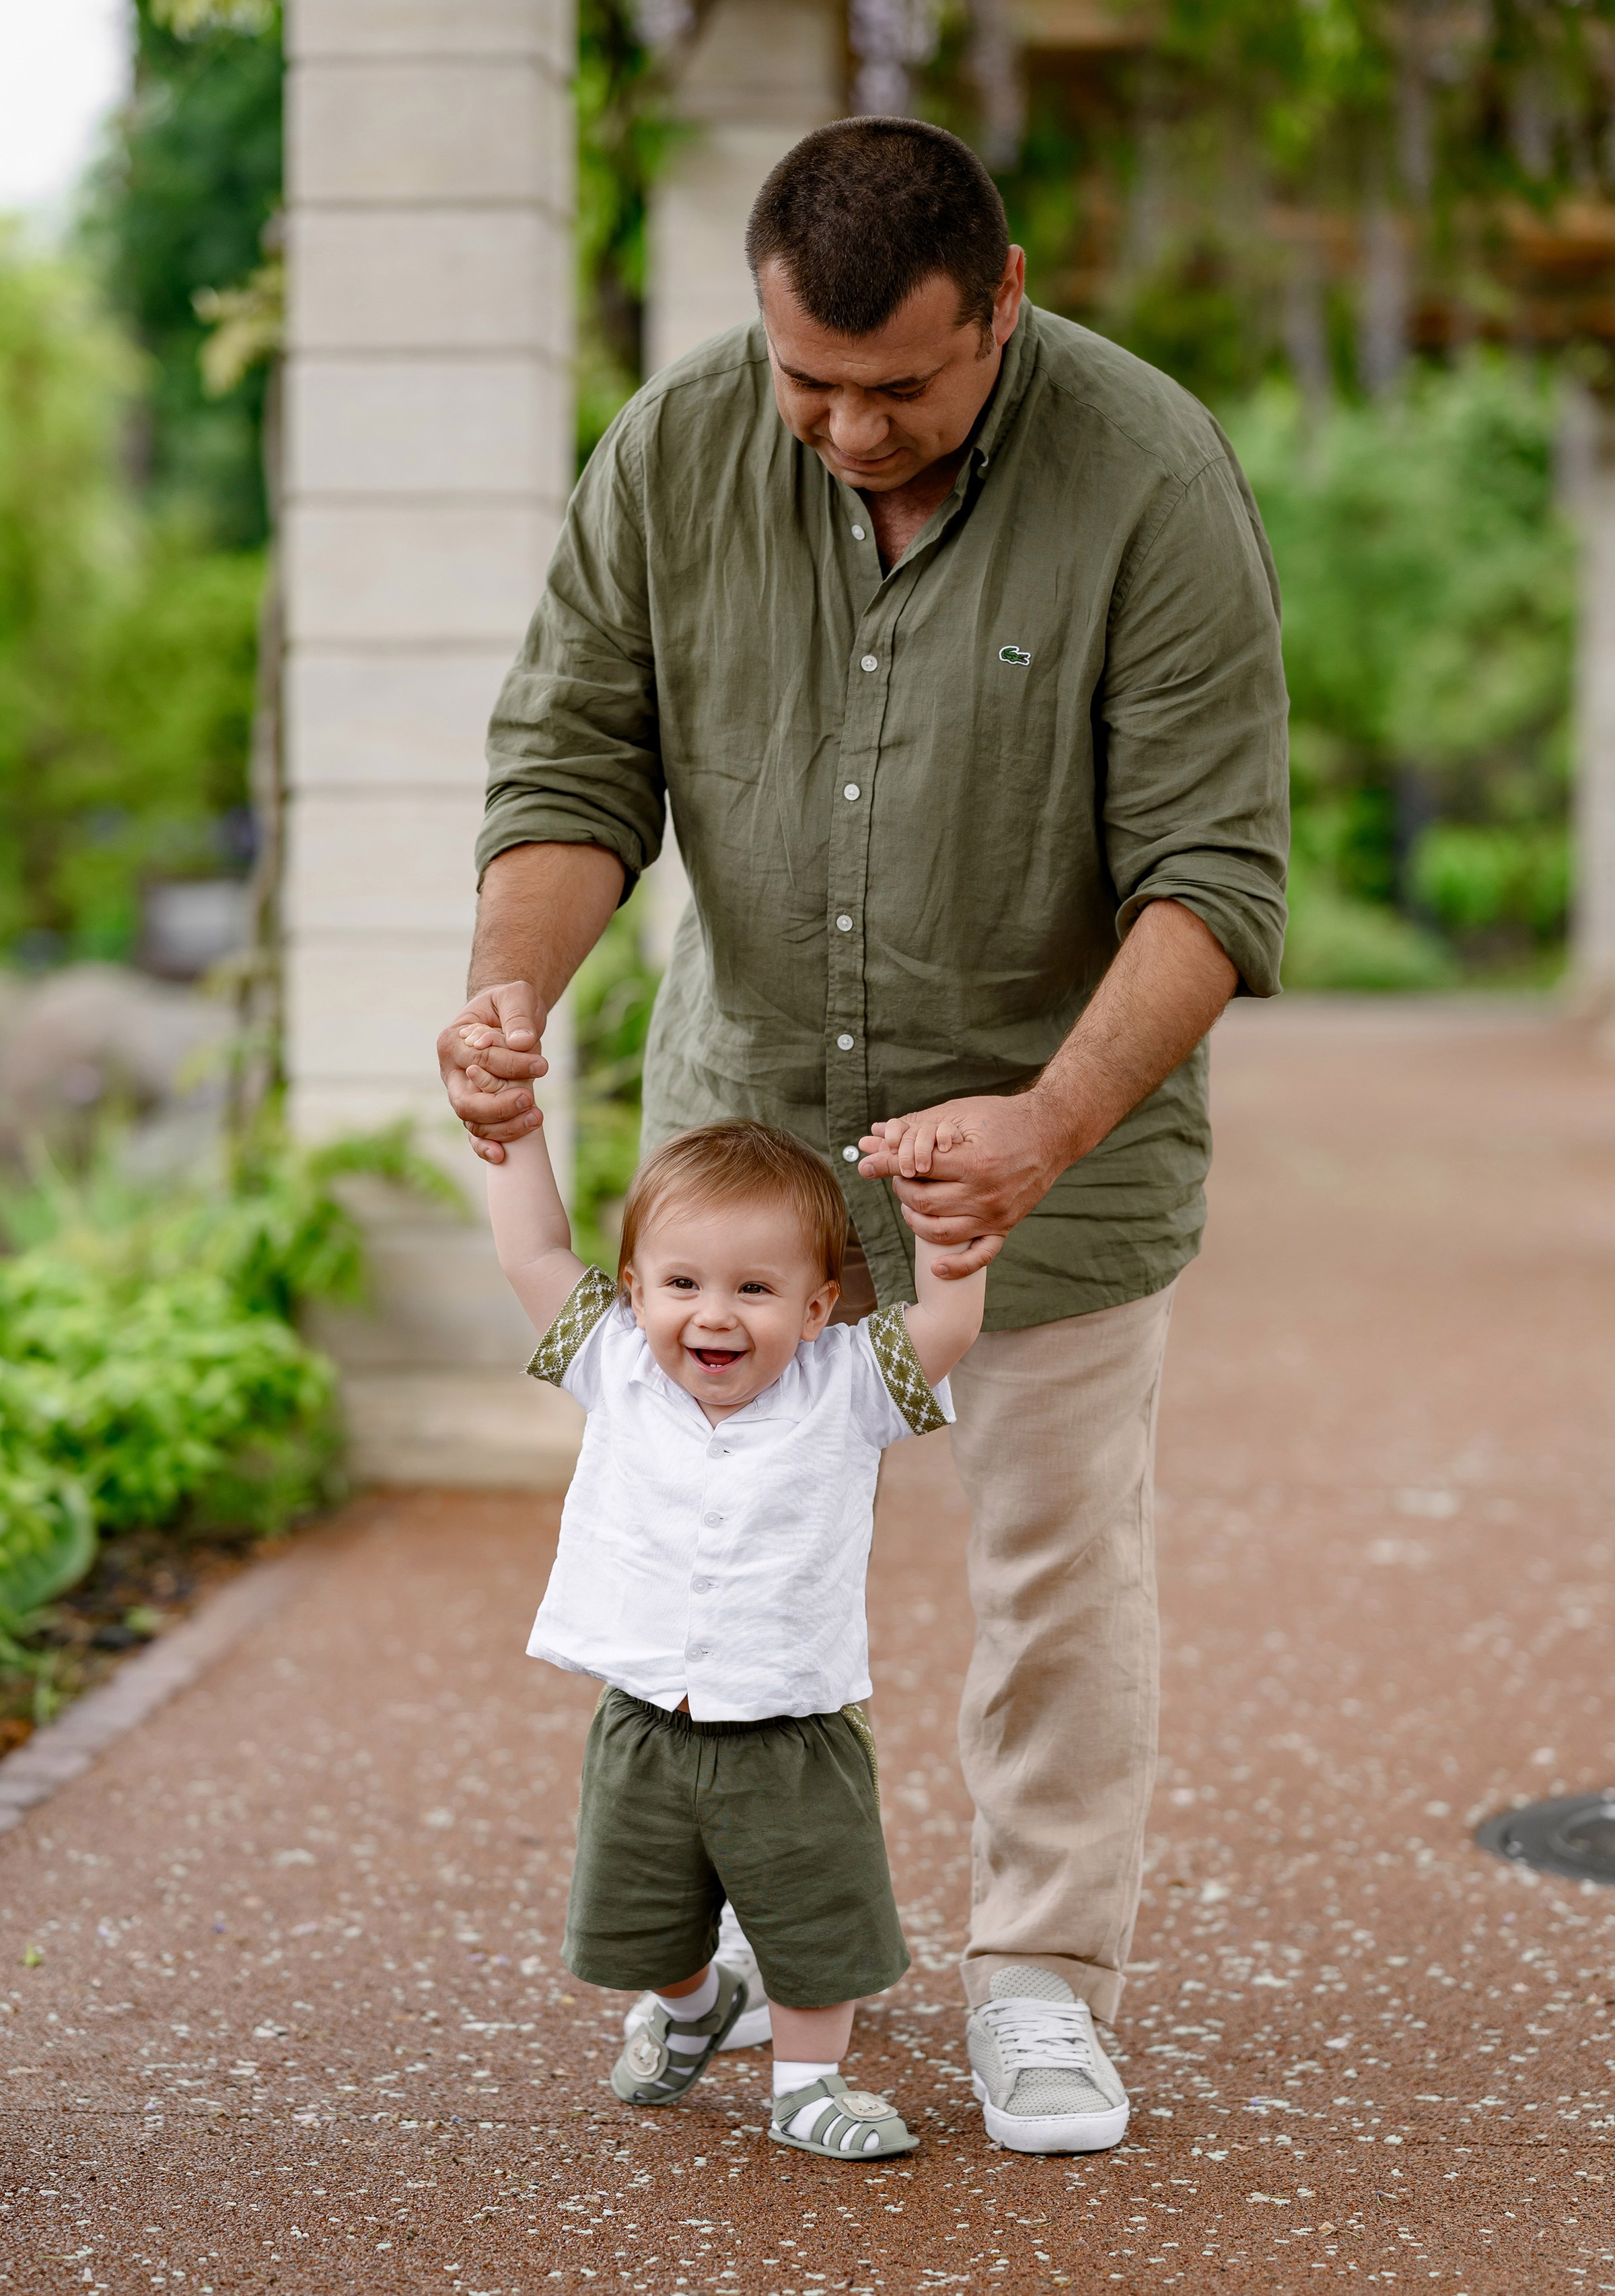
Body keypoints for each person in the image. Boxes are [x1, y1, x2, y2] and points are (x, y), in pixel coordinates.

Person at [438, 116, 1289, 2153]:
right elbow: (574, 755)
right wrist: (511, 998)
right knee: (695, 1585)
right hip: (741, 1165)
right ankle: (739, 1944)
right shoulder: (676, 446)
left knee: (1054, 1573)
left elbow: (1216, 874)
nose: (838, 425)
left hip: (1050, 1141)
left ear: (1000, 307)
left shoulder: (1150, 472)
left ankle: (1041, 1980)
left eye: (895, 385)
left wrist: (1056, 1122)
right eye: (803, 378)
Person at [481, 1100, 985, 2156]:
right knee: (639, 1926)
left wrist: (948, 1239)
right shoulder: (613, 1367)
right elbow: (531, 1248)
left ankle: (807, 2087)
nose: (714, 1316)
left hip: (792, 1727)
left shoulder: (845, 1387)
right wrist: (517, 1131)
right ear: (633, 1293)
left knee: (817, 1927)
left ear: (816, 1310)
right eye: (682, 1284)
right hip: (646, 1719)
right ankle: (697, 2001)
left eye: (755, 1289)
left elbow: (946, 1327)